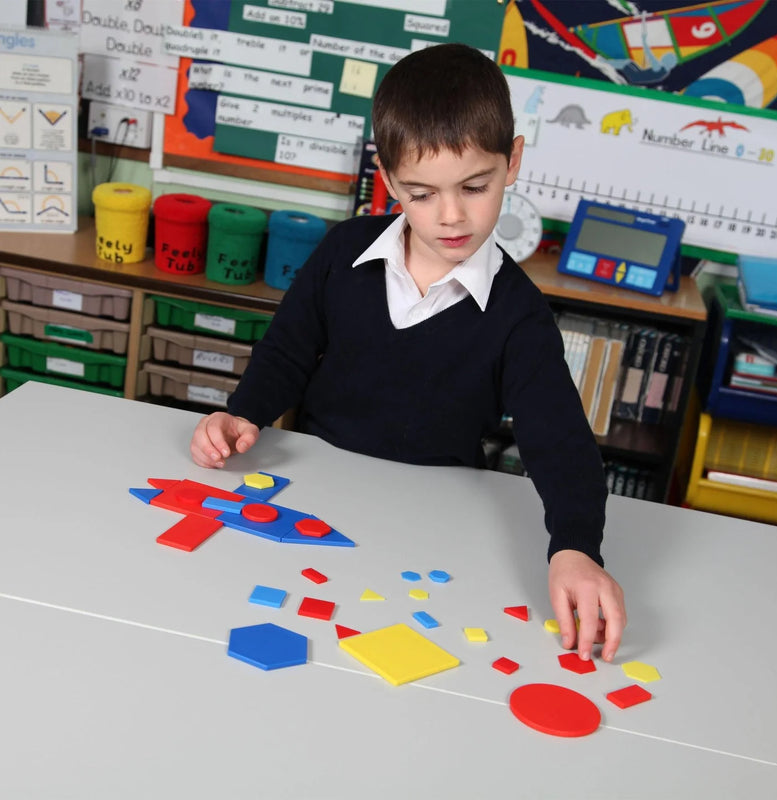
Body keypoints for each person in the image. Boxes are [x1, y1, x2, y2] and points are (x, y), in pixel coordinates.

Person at [191, 43, 626, 662]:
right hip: (317, 490)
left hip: (433, 519)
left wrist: (576, 549)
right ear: (390, 180)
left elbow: (560, 444)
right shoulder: (343, 252)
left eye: (475, 186)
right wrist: (243, 414)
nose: (452, 216)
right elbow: (287, 352)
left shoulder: (519, 318)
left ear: (514, 162)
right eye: (421, 194)